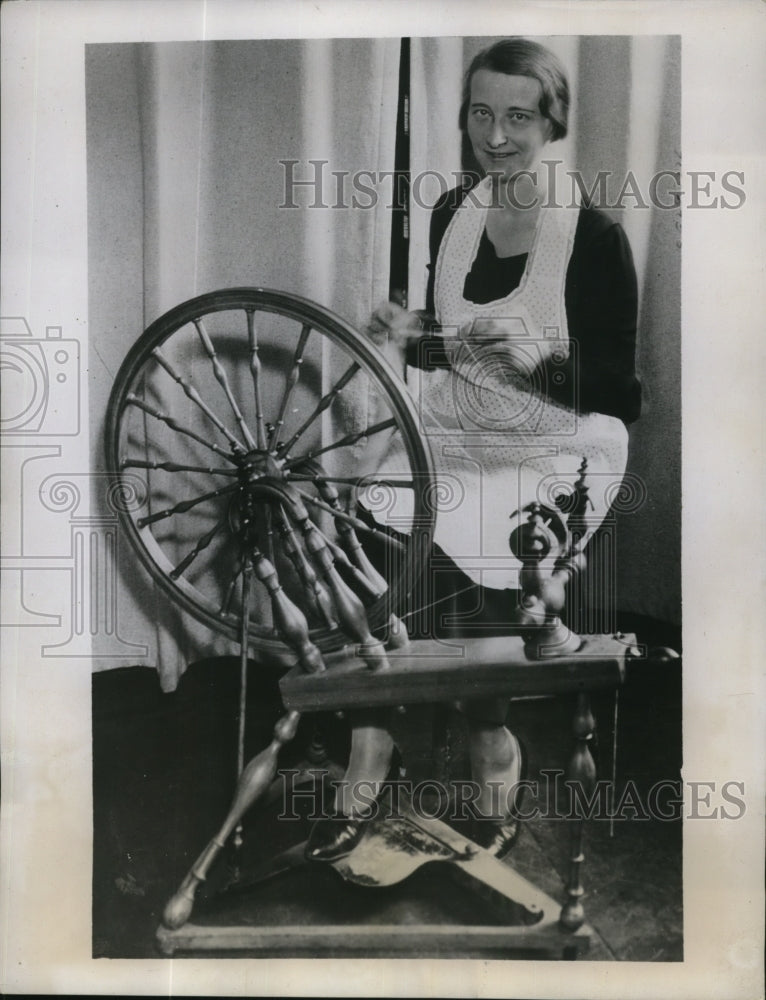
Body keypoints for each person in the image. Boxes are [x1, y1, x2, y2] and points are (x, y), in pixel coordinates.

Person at [305, 37, 640, 862]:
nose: (496, 135)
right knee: (385, 545)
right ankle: (373, 739)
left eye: (518, 116)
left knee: (492, 563)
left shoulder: (594, 237)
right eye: (481, 113)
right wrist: (406, 332)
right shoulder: (454, 213)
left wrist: (544, 364)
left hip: (554, 441)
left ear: (551, 122)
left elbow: (621, 394)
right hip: (459, 427)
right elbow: (446, 348)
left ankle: (491, 736)